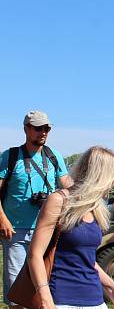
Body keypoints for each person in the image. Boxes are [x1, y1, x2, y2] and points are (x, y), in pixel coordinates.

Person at [27, 146, 114, 308]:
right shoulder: (58, 201)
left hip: (94, 299)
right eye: (113, 177)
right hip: (61, 299)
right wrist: (45, 298)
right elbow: (35, 255)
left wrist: (113, 287)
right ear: (100, 176)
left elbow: (88, 260)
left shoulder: (96, 208)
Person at [0, 110, 73, 308]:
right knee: (16, 286)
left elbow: (66, 182)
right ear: (26, 129)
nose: (43, 132)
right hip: (16, 230)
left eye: (47, 128)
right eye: (38, 128)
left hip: (47, 229)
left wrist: (84, 190)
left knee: (44, 282)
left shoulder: (53, 155)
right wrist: (3, 220)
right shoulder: (11, 156)